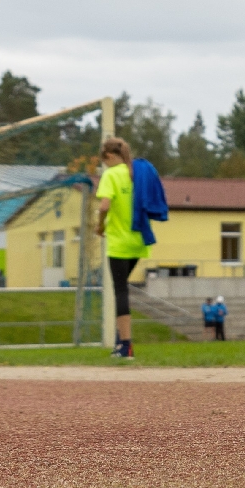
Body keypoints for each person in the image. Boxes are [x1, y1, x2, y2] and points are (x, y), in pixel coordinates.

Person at [93, 137, 146, 360]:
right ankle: (120, 338)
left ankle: (126, 345)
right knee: (123, 287)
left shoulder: (111, 174)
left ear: (110, 156)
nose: (104, 165)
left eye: (104, 160)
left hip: (119, 241)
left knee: (120, 290)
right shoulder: (136, 173)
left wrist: (100, 223)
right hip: (139, 239)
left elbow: (105, 204)